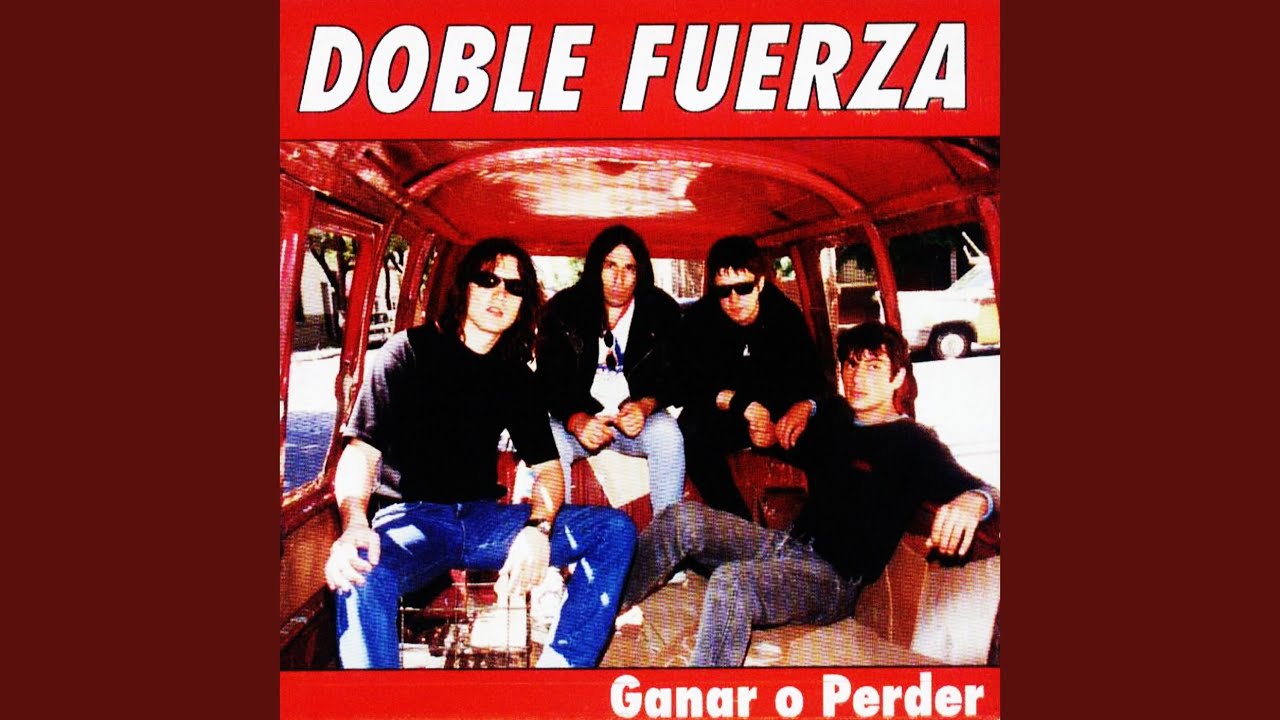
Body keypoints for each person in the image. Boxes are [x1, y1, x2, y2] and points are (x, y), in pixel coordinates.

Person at [324, 237, 636, 669]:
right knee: (357, 569)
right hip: (414, 519)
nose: (500, 294)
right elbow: (361, 453)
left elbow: (548, 470)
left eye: (514, 287)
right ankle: (378, 700)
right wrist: (355, 523)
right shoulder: (407, 352)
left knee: (614, 530)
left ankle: (559, 677)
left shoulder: (516, 377)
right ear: (463, 286)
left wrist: (538, 529)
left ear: (524, 304)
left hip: (483, 519)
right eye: (488, 280)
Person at [621, 321, 999, 666]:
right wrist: (796, 415)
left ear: (897, 377)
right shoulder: (836, 418)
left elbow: (985, 490)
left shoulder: (915, 442)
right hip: (785, 545)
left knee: (733, 581)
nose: (858, 378)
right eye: (851, 365)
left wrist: (974, 501)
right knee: (680, 518)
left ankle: (704, 695)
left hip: (831, 579)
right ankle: (610, 607)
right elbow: (808, 402)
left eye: (873, 367)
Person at [673, 235, 830, 519]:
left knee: (832, 426)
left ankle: (818, 528)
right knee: (690, 429)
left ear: (760, 284)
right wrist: (737, 403)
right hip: (728, 418)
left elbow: (814, 381)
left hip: (776, 415)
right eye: (724, 291)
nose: (733, 300)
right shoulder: (699, 319)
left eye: (743, 288)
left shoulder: (785, 317)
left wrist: (794, 414)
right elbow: (683, 384)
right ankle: (741, 526)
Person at [536, 225, 686, 514]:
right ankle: (559, 531)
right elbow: (547, 382)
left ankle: (668, 537)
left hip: (636, 424)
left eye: (629, 268)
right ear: (596, 267)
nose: (619, 279)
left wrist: (645, 406)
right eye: (610, 266)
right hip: (577, 424)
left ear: (640, 272)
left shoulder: (662, 310)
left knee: (668, 435)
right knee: (549, 439)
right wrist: (576, 419)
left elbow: (678, 377)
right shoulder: (563, 309)